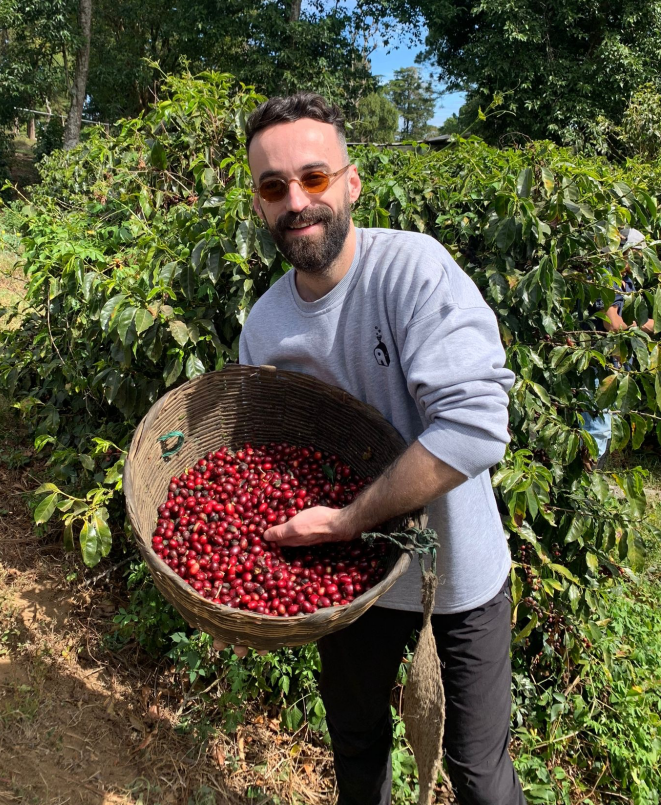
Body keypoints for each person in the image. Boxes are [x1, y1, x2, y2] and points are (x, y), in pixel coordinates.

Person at [214, 92, 525, 805]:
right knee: (356, 748)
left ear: (352, 182)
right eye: (273, 187)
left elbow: (476, 423)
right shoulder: (263, 328)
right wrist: (242, 579)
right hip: (348, 588)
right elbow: (268, 463)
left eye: (314, 177)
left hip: (458, 578)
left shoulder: (412, 270)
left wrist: (349, 518)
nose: (297, 202)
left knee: (478, 772)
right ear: (258, 205)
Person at [581, 227, 654, 465]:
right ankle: (582, 487)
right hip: (595, 367)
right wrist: (643, 326)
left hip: (612, 369)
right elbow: (612, 324)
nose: (640, 258)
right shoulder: (603, 278)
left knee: (604, 429)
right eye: (636, 253)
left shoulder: (628, 281)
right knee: (596, 430)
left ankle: (586, 488)